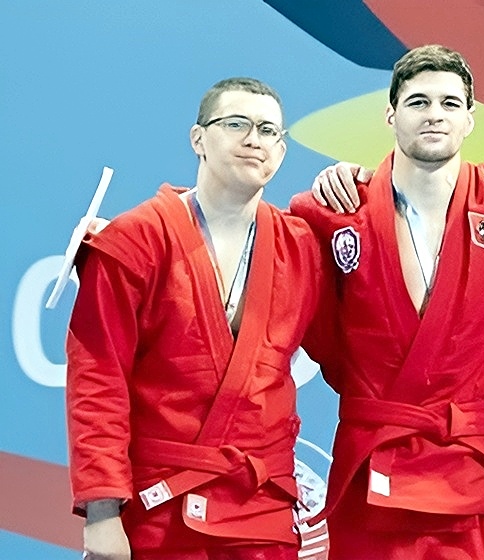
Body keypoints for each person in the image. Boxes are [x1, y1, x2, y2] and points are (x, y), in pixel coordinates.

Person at [290, 44, 484, 560]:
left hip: (468, 477)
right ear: (390, 115)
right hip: (372, 474)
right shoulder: (333, 209)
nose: (434, 115)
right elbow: (291, 304)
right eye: (418, 102)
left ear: (470, 119)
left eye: (450, 103)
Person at [66, 77, 327, 560]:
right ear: (198, 138)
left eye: (268, 130)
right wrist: (102, 513)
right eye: (237, 124)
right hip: (160, 508)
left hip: (262, 512)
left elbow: (364, 351)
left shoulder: (303, 248)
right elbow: (98, 380)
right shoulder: (135, 239)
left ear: (282, 150)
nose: (254, 140)